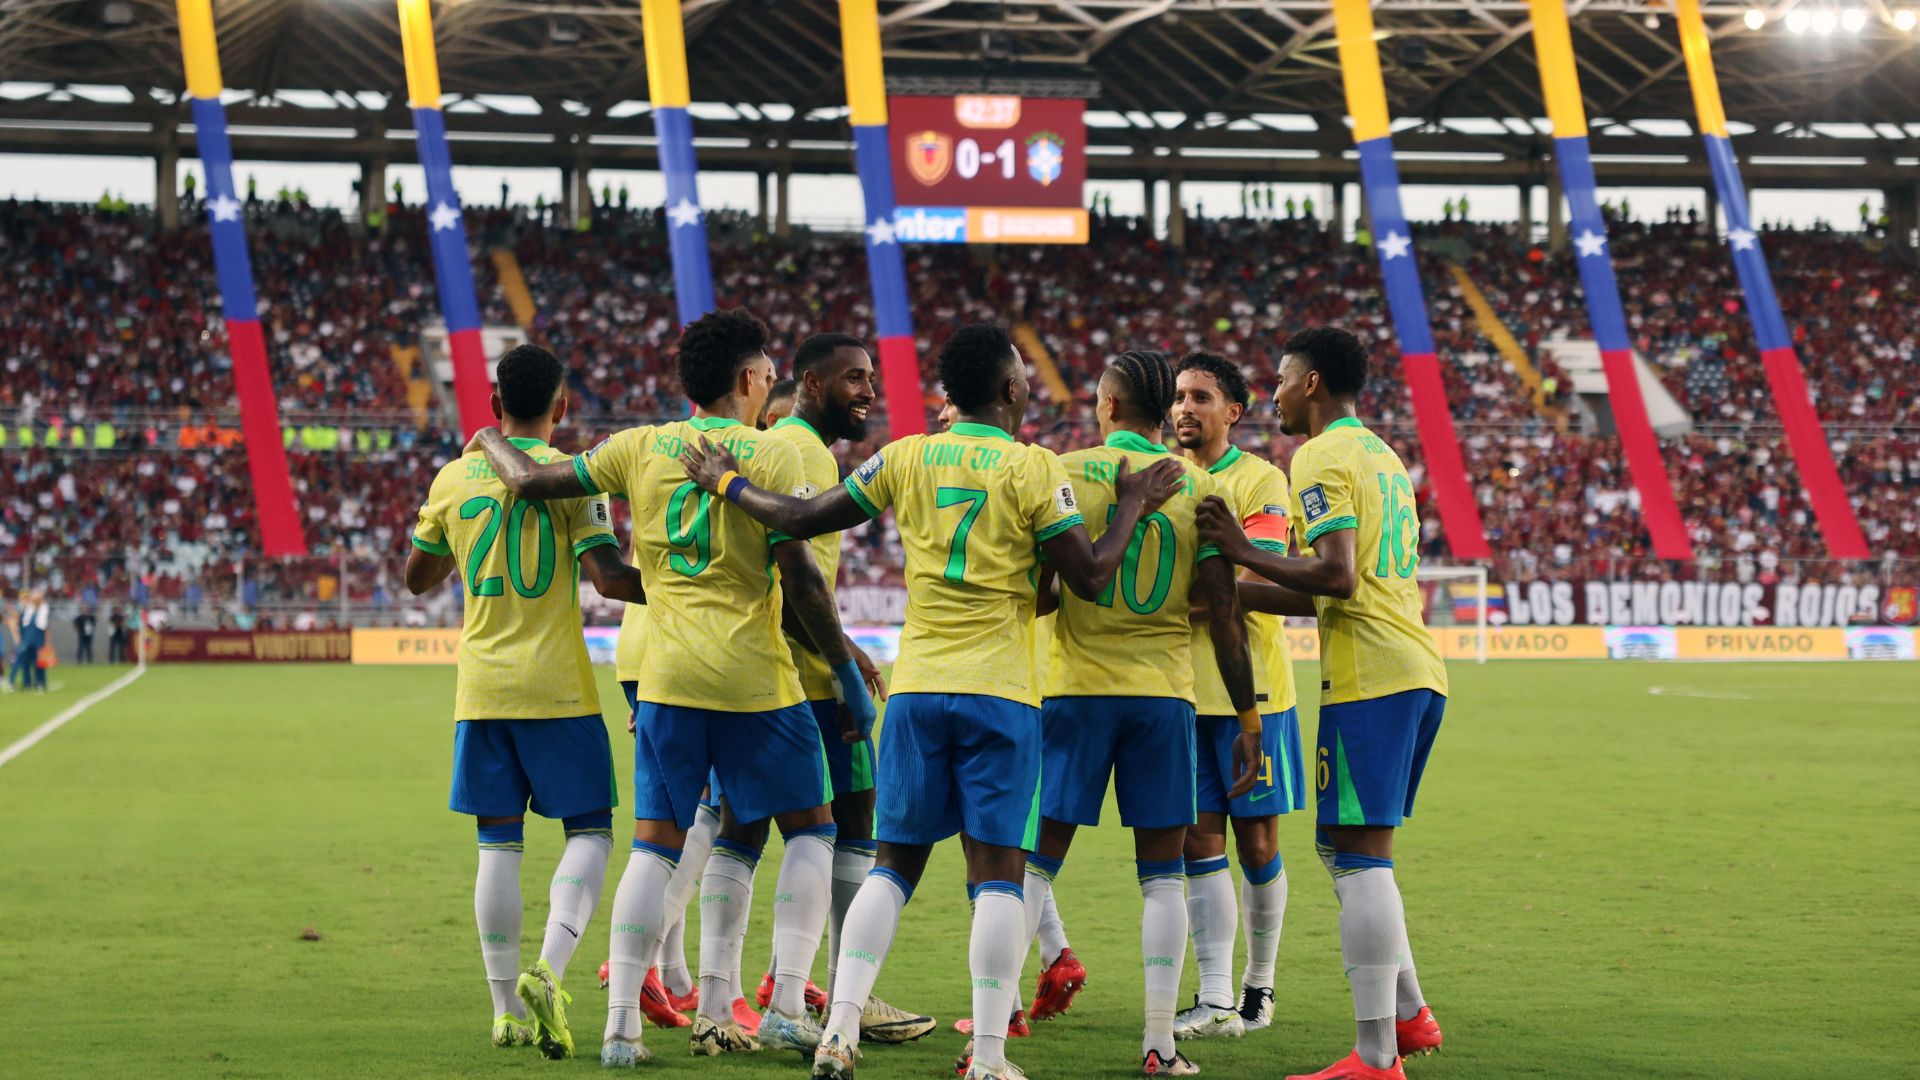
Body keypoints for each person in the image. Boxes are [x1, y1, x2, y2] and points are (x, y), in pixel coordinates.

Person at [675, 322, 1186, 1080]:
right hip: (1000, 696)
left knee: (892, 866)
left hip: (917, 689)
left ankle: (838, 1031)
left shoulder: (906, 455)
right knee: (997, 875)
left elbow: (802, 519)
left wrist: (727, 484)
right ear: (1011, 389)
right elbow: (1090, 576)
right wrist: (1134, 503)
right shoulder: (1034, 467)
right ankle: (985, 1056)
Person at [472, 307, 874, 1067]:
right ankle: (789, 1001)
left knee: (655, 848)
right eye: (765, 376)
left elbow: (530, 481)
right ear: (752, 379)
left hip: (665, 680)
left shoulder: (636, 447)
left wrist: (492, 437)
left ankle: (620, 1027)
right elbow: (804, 584)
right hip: (755, 678)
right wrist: (847, 674)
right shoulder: (772, 454)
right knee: (814, 829)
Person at [1196, 326, 1449, 1080]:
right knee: (1345, 849)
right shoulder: (1380, 455)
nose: (1271, 391)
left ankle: (1377, 1058)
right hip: (1410, 665)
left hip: (1373, 676)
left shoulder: (1320, 455)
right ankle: (1409, 1015)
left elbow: (1335, 577)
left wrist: (1239, 552)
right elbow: (1332, 590)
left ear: (1311, 383)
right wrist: (1234, 594)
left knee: (1359, 858)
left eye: (1279, 378)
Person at [404, 343, 649, 1060]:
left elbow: (418, 577)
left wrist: (456, 527)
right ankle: (551, 967)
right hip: (558, 688)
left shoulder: (453, 479)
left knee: (497, 846)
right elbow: (608, 579)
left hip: (481, 690)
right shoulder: (574, 478)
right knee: (592, 834)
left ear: (492, 407)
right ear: (563, 404)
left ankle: (504, 1009)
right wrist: (684, 584)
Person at [1026, 350, 1264, 1077]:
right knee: (1163, 875)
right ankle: (1160, 1043)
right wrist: (1248, 719)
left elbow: (1039, 595)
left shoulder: (1059, 470)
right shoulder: (1202, 488)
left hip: (1075, 691)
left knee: (1036, 864)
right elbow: (1225, 616)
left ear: (1104, 403)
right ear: (1165, 413)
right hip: (1164, 696)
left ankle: (996, 1023)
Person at [726, 333, 935, 1043]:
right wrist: (843, 667)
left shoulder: (764, 445)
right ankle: (842, 997)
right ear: (810, 383)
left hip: (749, 670)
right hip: (809, 681)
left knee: (735, 830)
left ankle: (711, 998)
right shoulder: (806, 454)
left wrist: (845, 641)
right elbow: (799, 580)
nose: (868, 392)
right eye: (854, 379)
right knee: (850, 825)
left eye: (871, 378)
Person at [1168, 352, 1305, 1040]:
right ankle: (1215, 993)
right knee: (1198, 840)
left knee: (1257, 840)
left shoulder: (1260, 479)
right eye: (1178, 396)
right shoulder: (1159, 478)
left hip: (1255, 689)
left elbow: (1254, 580)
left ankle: (1259, 985)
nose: (1185, 408)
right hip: (1181, 692)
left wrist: (1193, 592)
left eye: (1200, 396)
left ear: (1233, 412)